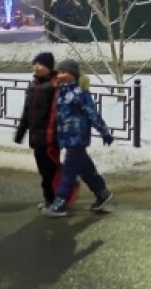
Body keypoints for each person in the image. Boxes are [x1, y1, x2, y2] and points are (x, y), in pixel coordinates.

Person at [43, 59, 115, 216]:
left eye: (64, 72)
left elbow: (92, 113)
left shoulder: (80, 93)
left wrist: (104, 132)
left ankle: (60, 202)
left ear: (72, 74)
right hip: (67, 138)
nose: (60, 75)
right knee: (85, 169)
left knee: (69, 170)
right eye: (59, 72)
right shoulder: (61, 91)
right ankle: (102, 193)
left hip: (78, 137)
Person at [13, 51, 78, 210]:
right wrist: (21, 132)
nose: (36, 67)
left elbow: (57, 114)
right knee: (43, 170)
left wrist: (56, 135)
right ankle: (49, 198)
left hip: (50, 137)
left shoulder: (55, 86)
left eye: (40, 64)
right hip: (37, 136)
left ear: (49, 67)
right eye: (35, 64)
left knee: (51, 170)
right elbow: (27, 111)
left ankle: (59, 198)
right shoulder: (33, 86)